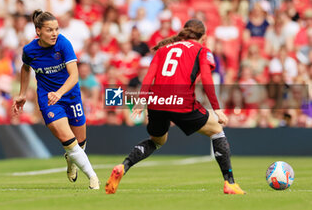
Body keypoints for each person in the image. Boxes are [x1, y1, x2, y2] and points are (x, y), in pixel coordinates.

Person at [105, 19, 246, 195]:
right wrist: (217, 109)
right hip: (181, 101)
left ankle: (123, 166)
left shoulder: (163, 49)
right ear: (203, 36)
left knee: (157, 141)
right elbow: (208, 80)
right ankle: (230, 183)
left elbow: (149, 76)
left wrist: (142, 101)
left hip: (156, 101)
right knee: (217, 130)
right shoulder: (202, 50)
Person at [12, 9, 100, 189]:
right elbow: (25, 68)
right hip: (48, 99)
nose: (54, 34)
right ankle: (93, 177)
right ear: (38, 31)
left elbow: (74, 76)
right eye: (49, 30)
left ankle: (71, 160)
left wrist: (60, 93)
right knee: (68, 139)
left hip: (71, 95)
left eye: (56, 29)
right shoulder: (29, 50)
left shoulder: (63, 44)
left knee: (80, 143)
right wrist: (22, 93)